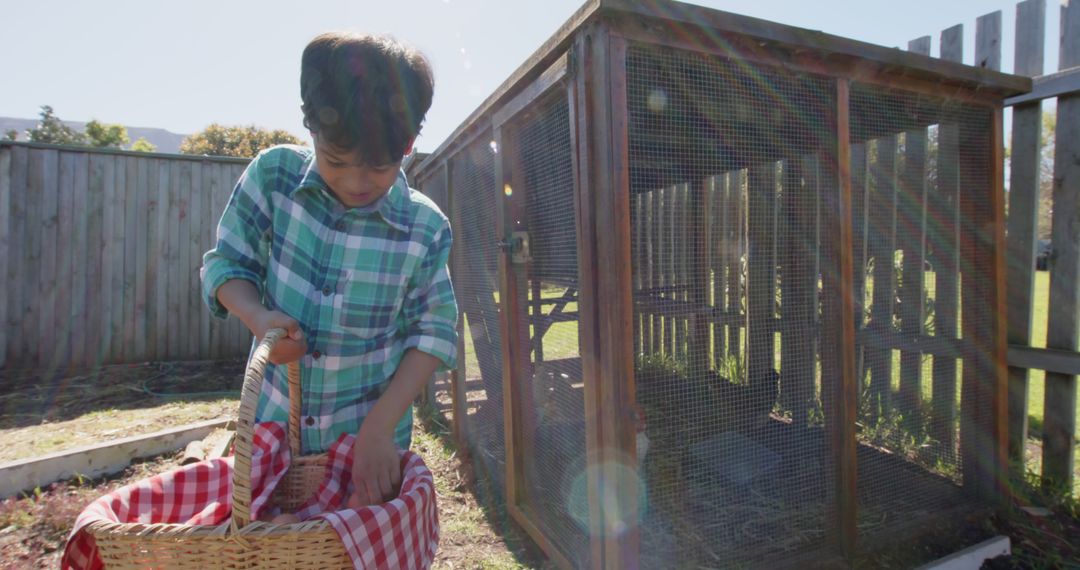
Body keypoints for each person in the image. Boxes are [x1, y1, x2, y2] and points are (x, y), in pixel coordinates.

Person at [200, 32, 457, 511]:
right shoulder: (274, 177)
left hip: (368, 450)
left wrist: (380, 428)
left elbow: (435, 333)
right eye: (337, 161)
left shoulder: (423, 228)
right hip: (273, 437)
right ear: (311, 127)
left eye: (379, 167)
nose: (356, 182)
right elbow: (226, 264)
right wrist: (258, 317)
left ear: (409, 144)